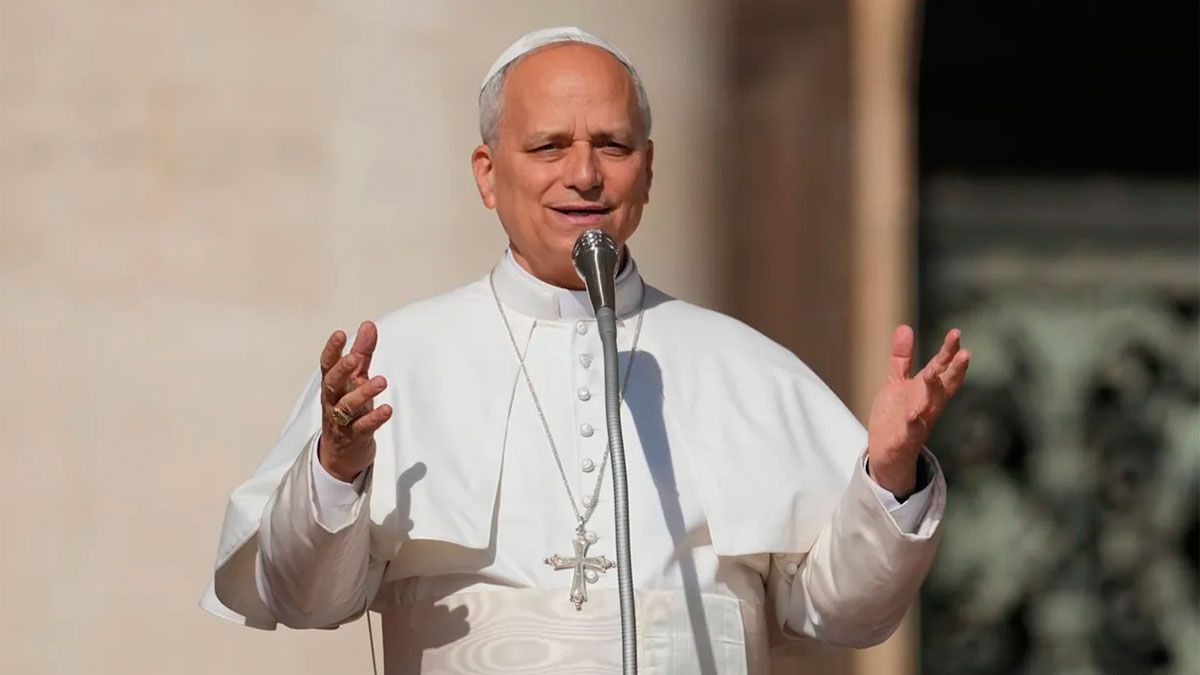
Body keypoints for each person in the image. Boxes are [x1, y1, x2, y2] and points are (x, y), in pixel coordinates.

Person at [201, 26, 971, 674]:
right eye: (548, 146)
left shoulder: (746, 366)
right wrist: (336, 468)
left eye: (613, 145)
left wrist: (887, 478)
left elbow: (844, 613)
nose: (584, 174)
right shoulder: (402, 359)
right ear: (488, 175)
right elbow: (303, 597)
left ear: (649, 170)